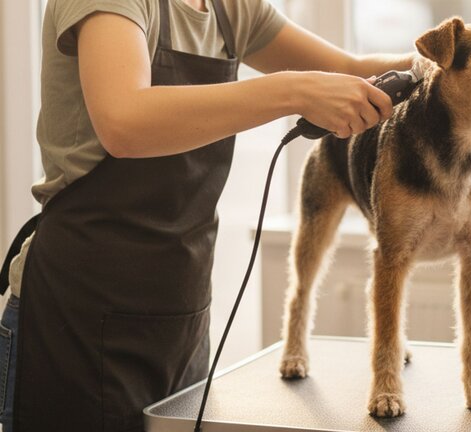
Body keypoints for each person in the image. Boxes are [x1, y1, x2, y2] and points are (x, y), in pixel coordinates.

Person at [0, 0, 413, 430]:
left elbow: (349, 68)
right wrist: (294, 92)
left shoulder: (229, 8)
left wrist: (448, 55)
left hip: (181, 322)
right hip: (76, 323)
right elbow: (124, 120)